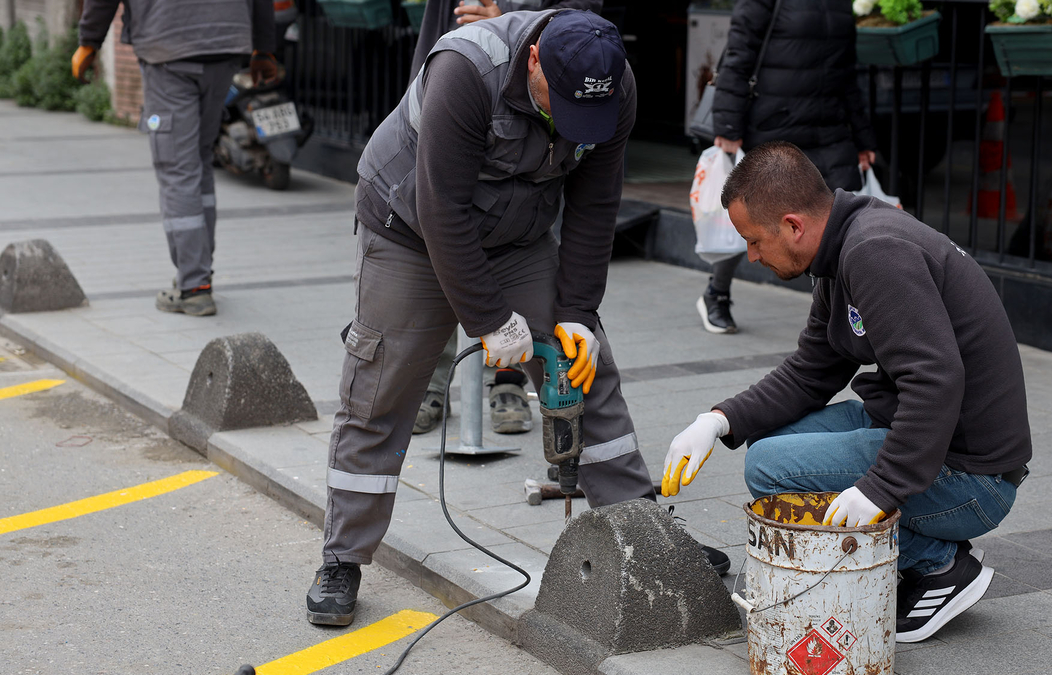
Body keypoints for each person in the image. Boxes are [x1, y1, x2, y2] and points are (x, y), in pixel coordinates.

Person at [308, 9, 729, 627]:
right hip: (412, 230)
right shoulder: (465, 69)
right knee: (381, 389)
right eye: (556, 104)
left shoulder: (613, 84)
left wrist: (579, 314)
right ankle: (342, 558)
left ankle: (642, 534)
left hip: (517, 234)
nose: (566, 123)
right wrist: (488, 319)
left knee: (585, 367)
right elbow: (443, 208)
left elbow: (594, 202)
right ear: (535, 60)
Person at [663, 142, 1032, 642]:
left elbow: (936, 380)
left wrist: (879, 489)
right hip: (924, 433)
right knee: (771, 444)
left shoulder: (874, 251)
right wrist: (718, 420)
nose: (750, 255)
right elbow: (810, 371)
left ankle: (941, 566)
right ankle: (906, 554)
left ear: (793, 225)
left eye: (754, 241)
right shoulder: (843, 250)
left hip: (972, 476)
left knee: (768, 468)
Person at [408, 0, 602, 436]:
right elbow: (433, 38)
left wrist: (509, 18)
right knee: (443, 261)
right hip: (463, 101)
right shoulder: (461, 68)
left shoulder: (572, 73)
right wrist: (431, 102)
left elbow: (587, 20)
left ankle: (509, 385)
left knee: (529, 321)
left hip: (525, 169)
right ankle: (431, 384)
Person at [74, 0, 278, 317]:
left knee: (177, 169)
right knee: (198, 160)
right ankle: (197, 272)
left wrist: (89, 41)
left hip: (168, 47)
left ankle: (194, 286)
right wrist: (264, 49)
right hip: (225, 47)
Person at [700, 0, 876, 334]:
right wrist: (727, 126)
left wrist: (863, 138)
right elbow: (738, 54)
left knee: (840, 221)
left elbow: (848, 73)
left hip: (828, 127)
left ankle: (840, 311)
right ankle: (717, 292)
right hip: (775, 122)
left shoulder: (840, 5)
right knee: (755, 217)